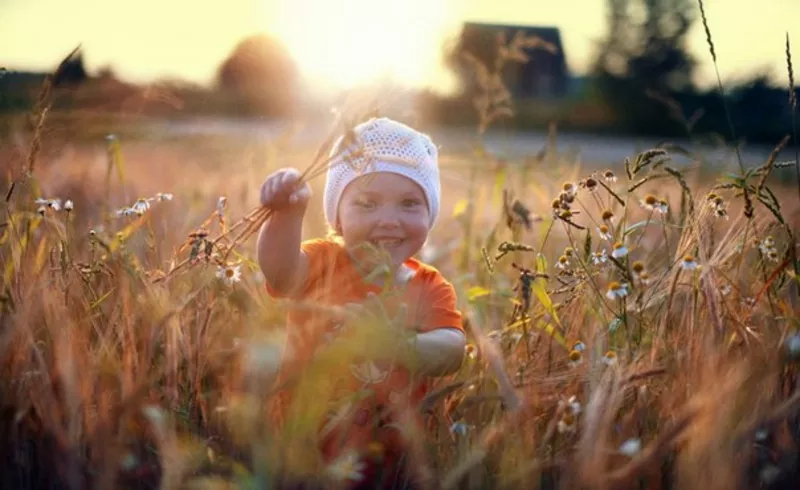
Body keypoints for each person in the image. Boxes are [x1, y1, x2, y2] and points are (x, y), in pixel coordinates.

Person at [256, 117, 466, 489]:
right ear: (337, 217)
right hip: (300, 452)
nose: (389, 220)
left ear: (429, 214)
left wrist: (396, 345)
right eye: (367, 204)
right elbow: (279, 271)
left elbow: (452, 350)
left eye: (409, 203)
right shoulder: (321, 263)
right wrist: (287, 214)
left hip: (389, 463)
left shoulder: (429, 286)